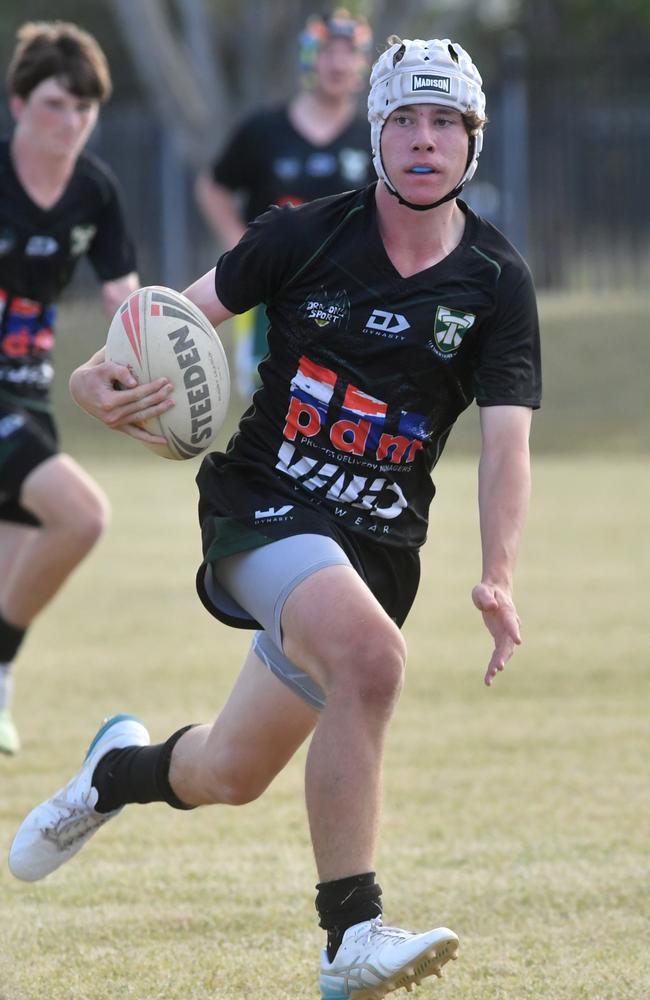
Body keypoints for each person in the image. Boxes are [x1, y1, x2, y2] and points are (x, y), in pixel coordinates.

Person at [10, 36, 542, 1000]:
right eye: (405, 120)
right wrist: (97, 376)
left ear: (474, 141)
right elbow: (166, 321)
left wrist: (498, 569)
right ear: (377, 134)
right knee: (373, 661)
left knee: (226, 772)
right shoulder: (304, 236)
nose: (425, 140)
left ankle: (112, 774)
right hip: (264, 506)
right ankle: (352, 936)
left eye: (446, 122)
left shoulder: (498, 284)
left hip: (378, 547)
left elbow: (507, 443)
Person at [0, 21, 141, 755]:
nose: (73, 121)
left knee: (11, 567)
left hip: (26, 395)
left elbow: (122, 292)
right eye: (57, 103)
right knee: (82, 515)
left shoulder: (94, 191)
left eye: (86, 107)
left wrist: (153, 350)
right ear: (20, 103)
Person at [195, 8, 374, 399]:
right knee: (267, 393)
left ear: (363, 62)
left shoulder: (374, 138)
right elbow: (213, 186)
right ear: (309, 57)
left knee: (342, 397)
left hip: (348, 293)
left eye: (350, 52)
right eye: (328, 51)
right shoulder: (264, 130)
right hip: (269, 292)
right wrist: (239, 244)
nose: (338, 63)